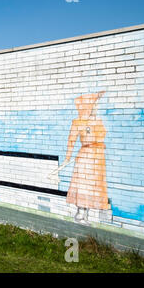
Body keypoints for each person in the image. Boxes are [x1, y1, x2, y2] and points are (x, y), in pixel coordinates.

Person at [57, 91, 110, 224]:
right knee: (84, 185)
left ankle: (86, 215)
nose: (96, 107)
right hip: (86, 157)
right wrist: (67, 158)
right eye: (94, 104)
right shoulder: (78, 122)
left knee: (94, 186)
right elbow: (71, 141)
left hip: (98, 158)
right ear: (88, 106)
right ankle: (80, 214)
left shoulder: (98, 121)